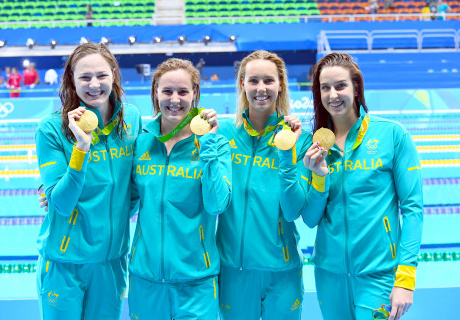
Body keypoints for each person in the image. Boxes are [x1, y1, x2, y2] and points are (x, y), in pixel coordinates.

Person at [303, 53, 423, 320]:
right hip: (329, 275)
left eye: (340, 86)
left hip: (379, 274)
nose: (333, 94)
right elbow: (310, 219)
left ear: (356, 88)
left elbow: (413, 210)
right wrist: (319, 177)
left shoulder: (392, 135)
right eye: (325, 88)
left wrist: (405, 279)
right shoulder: (315, 147)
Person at [35, 42, 142, 320]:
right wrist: (81, 149)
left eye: (101, 75)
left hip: (110, 262)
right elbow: (60, 203)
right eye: (84, 77)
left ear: (114, 75)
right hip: (64, 262)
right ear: (71, 80)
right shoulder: (51, 129)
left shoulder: (131, 119)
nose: (94, 84)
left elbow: (136, 187)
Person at [216, 50, 320, 320]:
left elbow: (292, 211)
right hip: (232, 270)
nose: (261, 89)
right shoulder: (224, 135)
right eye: (253, 81)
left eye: (268, 81)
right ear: (242, 84)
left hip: (281, 271)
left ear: (281, 84)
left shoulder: (300, 140)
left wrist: (287, 153)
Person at [127, 58, 232, 319]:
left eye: (183, 91)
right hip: (145, 279)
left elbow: (217, 204)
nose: (175, 99)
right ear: (155, 93)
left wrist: (207, 145)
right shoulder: (141, 142)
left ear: (195, 94)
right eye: (167, 91)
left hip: (196, 282)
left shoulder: (215, 144)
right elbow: (122, 198)